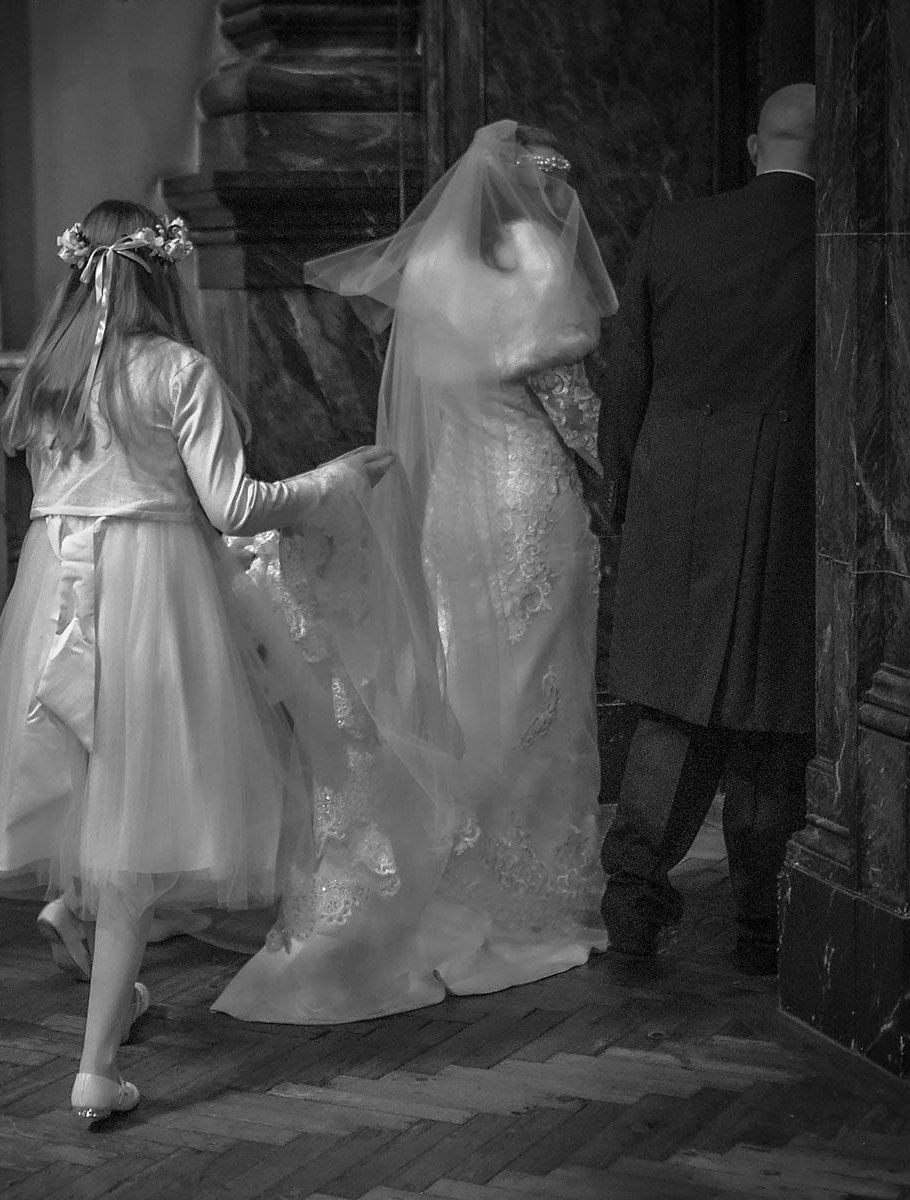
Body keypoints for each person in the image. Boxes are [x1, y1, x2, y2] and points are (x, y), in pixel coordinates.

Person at [0, 199, 391, 1120]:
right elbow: (234, 504)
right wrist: (333, 482)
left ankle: (75, 915)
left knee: (93, 770)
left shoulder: (48, 377)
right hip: (151, 601)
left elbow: (57, 495)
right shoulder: (178, 371)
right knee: (144, 815)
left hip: (57, 596)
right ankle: (96, 1068)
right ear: (163, 276)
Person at [214, 120, 615, 1024]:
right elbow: (574, 410)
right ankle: (520, 896)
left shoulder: (431, 268)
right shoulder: (539, 263)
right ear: (532, 189)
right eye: (556, 185)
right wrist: (632, 478)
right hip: (525, 500)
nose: (565, 205)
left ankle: (449, 869)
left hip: (450, 511)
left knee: (467, 684)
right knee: (536, 690)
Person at [595, 83, 818, 976]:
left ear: (755, 147)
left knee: (672, 713)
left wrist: (629, 505)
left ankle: (634, 918)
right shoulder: (841, 238)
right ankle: (762, 926)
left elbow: (627, 382)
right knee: (771, 721)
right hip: (789, 497)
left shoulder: (674, 229)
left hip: (675, 493)